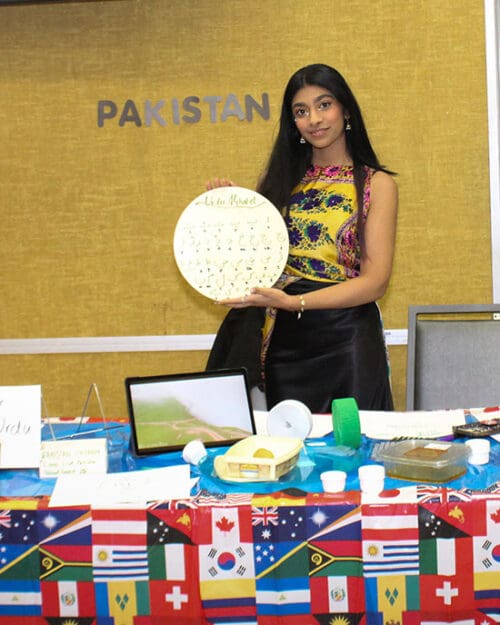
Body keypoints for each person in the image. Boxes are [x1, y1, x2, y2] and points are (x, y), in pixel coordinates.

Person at [206, 63, 398, 413]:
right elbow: (255, 260)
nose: (315, 119)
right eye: (301, 111)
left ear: (346, 109)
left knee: (353, 449)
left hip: (347, 340)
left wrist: (296, 304)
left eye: (324, 105)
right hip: (284, 343)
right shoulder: (279, 178)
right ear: (293, 122)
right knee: (291, 450)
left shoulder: (377, 184)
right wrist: (230, 213)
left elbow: (375, 283)